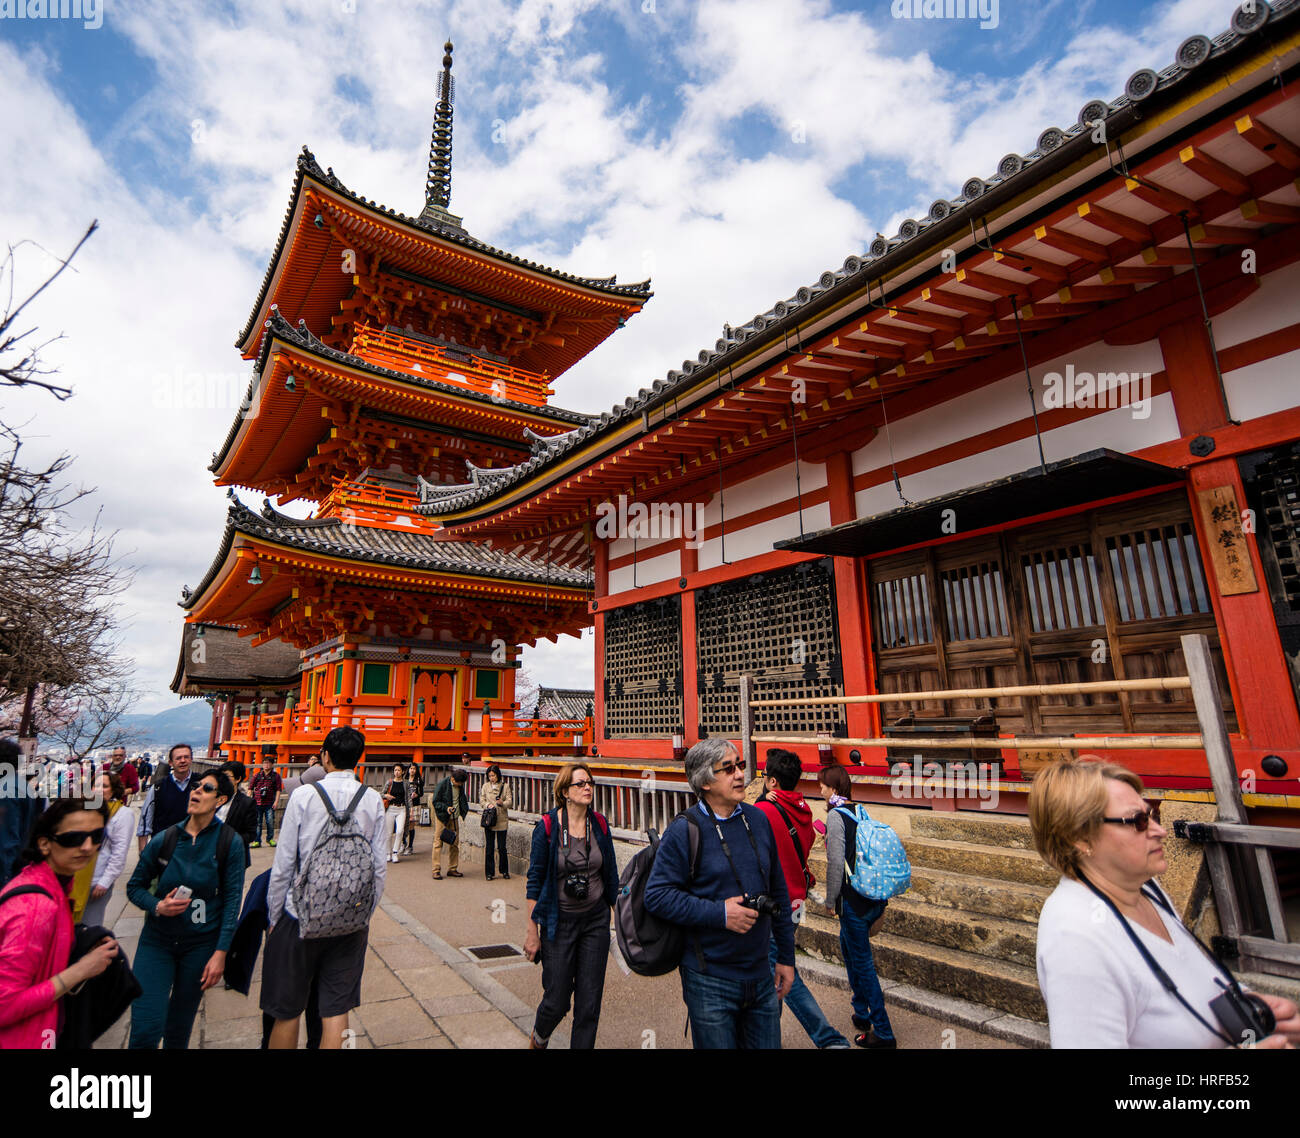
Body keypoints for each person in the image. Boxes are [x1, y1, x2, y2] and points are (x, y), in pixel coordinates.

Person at [1030, 759, 1300, 1049]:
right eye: (1138, 821)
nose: (1160, 830)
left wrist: (1248, 1005)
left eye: (1153, 815)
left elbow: (1180, 979)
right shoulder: (1075, 940)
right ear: (1079, 838)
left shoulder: (1144, 888)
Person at [645, 739, 794, 1049]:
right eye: (728, 769)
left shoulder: (758, 819)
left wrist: (786, 958)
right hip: (709, 978)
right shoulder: (685, 830)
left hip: (761, 971)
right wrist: (720, 914)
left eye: (740, 765)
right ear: (705, 782)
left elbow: (778, 890)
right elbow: (657, 895)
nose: (740, 774)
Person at [262, 726, 388, 1049]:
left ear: (325, 757)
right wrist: (363, 914)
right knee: (336, 1010)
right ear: (358, 760)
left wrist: (274, 915)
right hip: (350, 921)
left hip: (299, 915)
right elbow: (378, 869)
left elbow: (284, 863)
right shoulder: (373, 800)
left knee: (288, 1009)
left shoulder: (304, 796)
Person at [126, 768, 246, 1049]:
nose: (196, 792)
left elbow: (231, 901)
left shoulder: (230, 843)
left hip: (200, 944)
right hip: (157, 941)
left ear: (221, 800)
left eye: (206, 788)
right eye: (195, 787)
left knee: (179, 1027)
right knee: (146, 1026)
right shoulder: (165, 839)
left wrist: (220, 953)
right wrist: (158, 905)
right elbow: (134, 887)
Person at [0, 799, 120, 1048]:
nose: (88, 847)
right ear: (44, 843)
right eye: (74, 837)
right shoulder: (36, 907)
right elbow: (4, 1005)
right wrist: (82, 970)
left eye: (97, 836)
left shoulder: (51, 885)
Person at [522, 762, 620, 1049]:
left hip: (595, 922)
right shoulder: (548, 827)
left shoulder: (600, 825)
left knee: (589, 1003)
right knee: (557, 999)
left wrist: (626, 919)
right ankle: (539, 1038)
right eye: (580, 783)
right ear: (565, 791)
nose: (588, 787)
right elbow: (534, 881)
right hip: (558, 922)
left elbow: (611, 876)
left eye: (590, 782)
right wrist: (532, 931)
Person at [756, 749, 849, 1048]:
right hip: (797, 902)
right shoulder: (805, 810)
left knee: (782, 971)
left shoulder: (764, 812)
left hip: (775, 905)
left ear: (772, 781)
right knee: (775, 970)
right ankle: (769, 1038)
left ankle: (828, 1038)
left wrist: (761, 801)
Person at [818, 763, 896, 1049]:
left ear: (834, 788)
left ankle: (884, 1033)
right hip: (872, 895)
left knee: (863, 966)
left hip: (852, 902)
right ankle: (861, 1011)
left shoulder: (836, 817)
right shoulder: (860, 809)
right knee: (850, 953)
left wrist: (830, 900)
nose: (820, 790)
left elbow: (837, 863)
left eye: (823, 786)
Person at [83, 770, 135, 928]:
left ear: (113, 789)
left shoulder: (122, 814)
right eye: (95, 785)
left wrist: (105, 882)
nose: (99, 789)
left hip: (97, 879)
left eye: (104, 786)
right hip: (76, 877)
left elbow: (119, 852)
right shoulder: (85, 809)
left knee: (89, 926)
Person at [137, 743, 195, 852]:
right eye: (178, 758)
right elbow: (145, 822)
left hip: (192, 850)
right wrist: (143, 854)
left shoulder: (200, 784)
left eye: (186, 757)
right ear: (171, 763)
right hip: (163, 848)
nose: (183, 761)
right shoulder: (158, 787)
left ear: (191, 760)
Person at [0, 738, 42, 887]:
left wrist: (4, 880)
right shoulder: (24, 787)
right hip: (19, 867)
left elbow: (6, 841)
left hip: (7, 873)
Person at [218, 760, 258, 868]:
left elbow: (251, 834)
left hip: (234, 857)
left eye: (226, 776)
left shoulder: (247, 803)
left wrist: (228, 840)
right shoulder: (212, 798)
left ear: (238, 779)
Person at [431, 768, 469, 879]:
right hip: (442, 817)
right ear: (452, 779)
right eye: (458, 782)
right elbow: (435, 801)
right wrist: (446, 808)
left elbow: (462, 799)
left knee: (454, 843)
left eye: (461, 783)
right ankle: (436, 869)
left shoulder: (460, 786)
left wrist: (463, 811)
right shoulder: (442, 784)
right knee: (438, 842)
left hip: (454, 817)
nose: (460, 785)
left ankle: (452, 868)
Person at [480, 763, 512, 881]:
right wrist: (487, 805)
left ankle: (504, 870)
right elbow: (482, 800)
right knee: (489, 847)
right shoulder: (485, 786)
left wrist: (502, 803)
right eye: (490, 776)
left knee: (502, 847)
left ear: (498, 775)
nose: (492, 778)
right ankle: (489, 872)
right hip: (489, 819)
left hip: (502, 819)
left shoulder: (506, 786)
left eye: (493, 775)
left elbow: (510, 801)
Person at [249, 756, 283, 848]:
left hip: (269, 802)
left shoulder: (276, 776)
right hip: (257, 802)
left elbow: (278, 790)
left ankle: (270, 839)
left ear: (272, 765)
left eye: (268, 763)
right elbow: (250, 788)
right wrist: (249, 801)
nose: (266, 765)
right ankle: (257, 841)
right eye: (264, 763)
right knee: (257, 823)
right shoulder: (257, 775)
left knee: (270, 822)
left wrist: (276, 802)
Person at [382, 763, 408, 864]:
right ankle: (388, 853)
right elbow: (382, 793)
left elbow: (408, 797)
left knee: (400, 831)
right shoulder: (389, 782)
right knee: (388, 833)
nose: (397, 772)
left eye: (399, 770)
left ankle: (395, 852)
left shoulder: (405, 783)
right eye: (395, 770)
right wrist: (386, 796)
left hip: (402, 808)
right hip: (390, 809)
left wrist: (409, 809)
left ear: (402, 772)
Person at [401, 763, 424, 855]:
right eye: (411, 768)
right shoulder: (404, 780)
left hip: (414, 804)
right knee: (403, 825)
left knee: (411, 825)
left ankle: (410, 846)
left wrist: (416, 795)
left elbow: (421, 793)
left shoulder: (418, 780)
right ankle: (403, 843)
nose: (412, 770)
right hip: (405, 804)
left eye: (414, 768)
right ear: (408, 770)